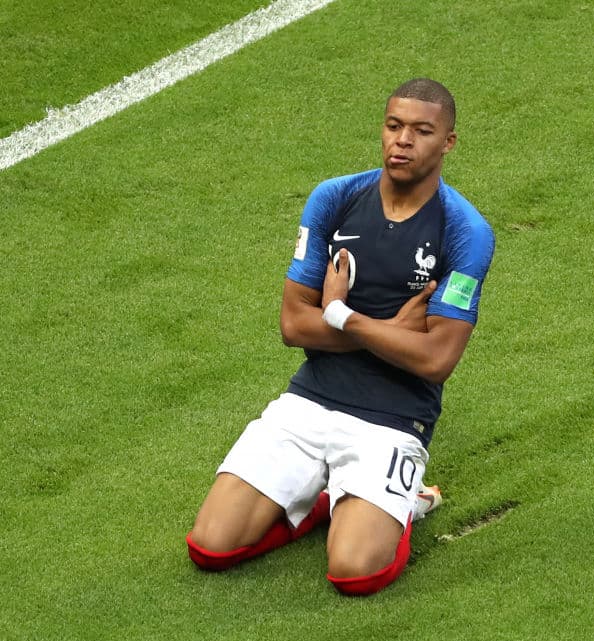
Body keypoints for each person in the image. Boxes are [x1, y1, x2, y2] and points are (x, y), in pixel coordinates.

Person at [186, 78, 495, 596]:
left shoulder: (465, 230)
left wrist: (339, 314)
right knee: (209, 546)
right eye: (394, 126)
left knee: (355, 573)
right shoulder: (335, 198)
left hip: (395, 419)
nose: (403, 141)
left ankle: (406, 502)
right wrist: (389, 331)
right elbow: (292, 325)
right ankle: (326, 498)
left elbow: (437, 358)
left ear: (448, 143)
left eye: (422, 131)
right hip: (309, 402)